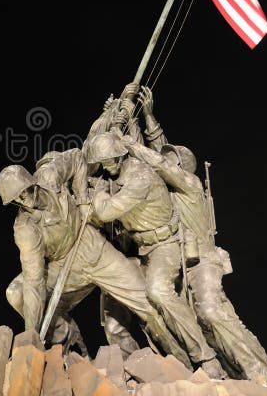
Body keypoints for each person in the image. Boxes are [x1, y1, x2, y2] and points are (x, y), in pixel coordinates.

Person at [123, 86, 267, 384]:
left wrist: (134, 145)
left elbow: (158, 161)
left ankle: (264, 375)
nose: (165, 161)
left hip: (203, 263)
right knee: (187, 319)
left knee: (212, 313)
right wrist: (141, 119)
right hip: (178, 261)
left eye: (172, 160)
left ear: (182, 167)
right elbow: (157, 157)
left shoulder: (190, 184)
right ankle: (222, 370)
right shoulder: (166, 189)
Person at [0, 149, 190, 367]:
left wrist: (81, 200)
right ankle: (68, 342)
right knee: (16, 293)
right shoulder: (25, 228)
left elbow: (78, 157)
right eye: (17, 199)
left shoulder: (50, 176)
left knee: (147, 304)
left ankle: (183, 359)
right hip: (64, 267)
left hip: (96, 251)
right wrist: (31, 335)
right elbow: (34, 281)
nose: (24, 199)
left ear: (31, 182)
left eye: (24, 191)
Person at [86, 131, 225, 378]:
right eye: (103, 163)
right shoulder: (113, 177)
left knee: (158, 291)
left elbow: (106, 211)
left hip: (164, 244)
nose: (106, 168)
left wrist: (96, 192)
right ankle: (132, 368)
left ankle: (205, 356)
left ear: (120, 157)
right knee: (114, 307)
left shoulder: (140, 176)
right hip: (138, 249)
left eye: (109, 162)